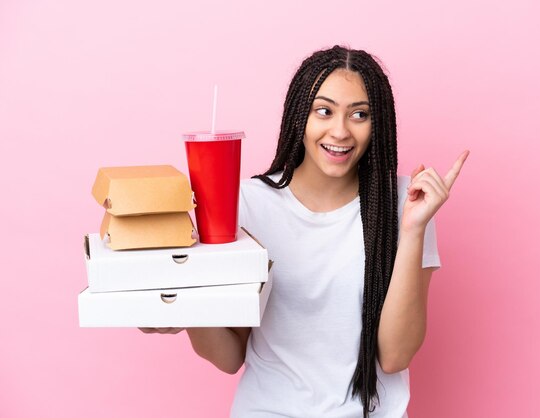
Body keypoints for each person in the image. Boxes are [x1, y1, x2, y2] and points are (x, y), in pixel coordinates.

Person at [141, 45, 469, 417]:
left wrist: (412, 229)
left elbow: (394, 357)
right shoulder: (246, 205)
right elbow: (231, 356)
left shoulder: (407, 204)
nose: (340, 131)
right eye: (324, 111)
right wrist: (187, 312)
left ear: (377, 124)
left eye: (359, 114)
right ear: (301, 115)